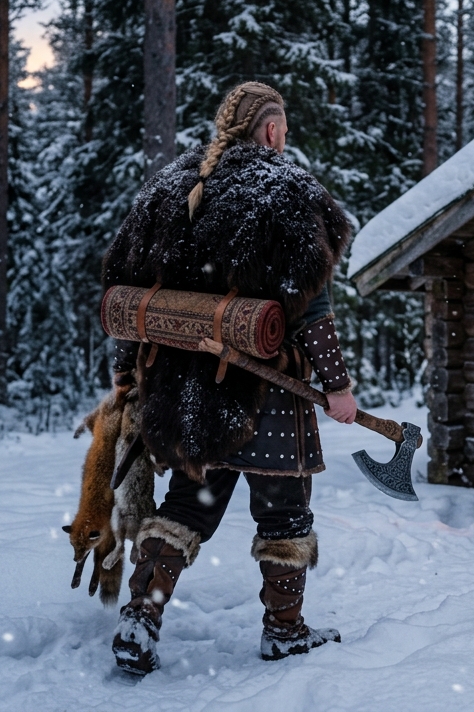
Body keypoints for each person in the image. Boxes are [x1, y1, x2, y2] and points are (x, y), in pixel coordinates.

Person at [100, 81, 356, 675]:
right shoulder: (286, 189)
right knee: (284, 512)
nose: (284, 138)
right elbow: (312, 307)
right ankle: (284, 631)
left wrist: (125, 375)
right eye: (283, 128)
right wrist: (338, 388)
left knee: (187, 504)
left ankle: (141, 617)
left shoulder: (169, 186)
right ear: (270, 129)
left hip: (186, 393)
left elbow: (130, 295)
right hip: (267, 392)